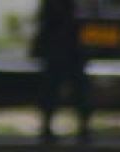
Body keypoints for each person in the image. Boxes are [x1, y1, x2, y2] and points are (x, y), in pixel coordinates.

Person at [32, 0, 92, 144]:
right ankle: (80, 128)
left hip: (63, 51)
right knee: (64, 90)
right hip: (65, 51)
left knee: (59, 90)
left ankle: (80, 128)